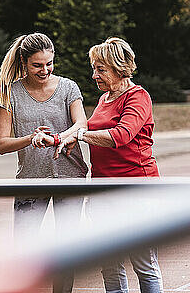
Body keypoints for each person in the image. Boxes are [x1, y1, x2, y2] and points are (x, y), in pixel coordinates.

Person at [51, 37, 163, 293]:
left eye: (100, 69)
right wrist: (60, 138)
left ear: (119, 68)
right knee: (110, 264)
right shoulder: (104, 99)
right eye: (94, 68)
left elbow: (120, 136)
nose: (94, 76)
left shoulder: (138, 97)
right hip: (103, 189)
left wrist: (78, 136)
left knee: (143, 263)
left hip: (136, 190)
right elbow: (86, 128)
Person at [0, 32, 88, 293]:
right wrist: (30, 139)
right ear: (24, 62)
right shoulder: (9, 93)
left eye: (49, 63)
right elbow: (2, 144)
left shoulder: (68, 87)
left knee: (67, 250)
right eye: (37, 65)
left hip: (70, 178)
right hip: (31, 181)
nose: (45, 70)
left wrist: (59, 138)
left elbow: (81, 123)